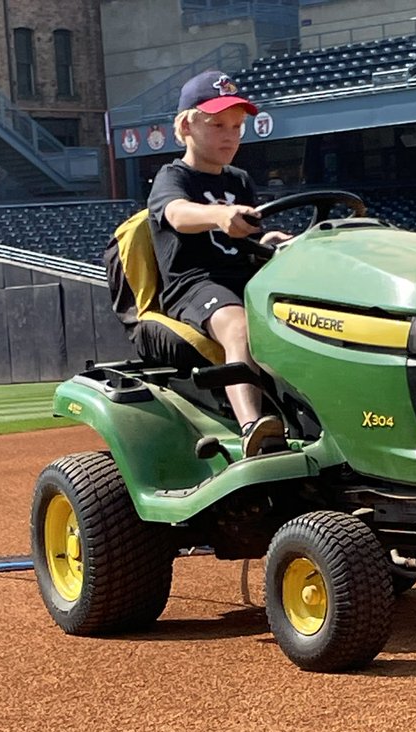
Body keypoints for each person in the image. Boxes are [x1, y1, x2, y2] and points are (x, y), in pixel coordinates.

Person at [148, 70, 291, 457]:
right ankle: (253, 430)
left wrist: (266, 241)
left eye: (237, 126)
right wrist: (218, 216)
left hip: (244, 277)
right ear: (186, 126)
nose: (230, 135)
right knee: (240, 326)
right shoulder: (172, 177)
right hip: (195, 285)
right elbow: (176, 214)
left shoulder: (240, 179)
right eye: (217, 125)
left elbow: (246, 238)